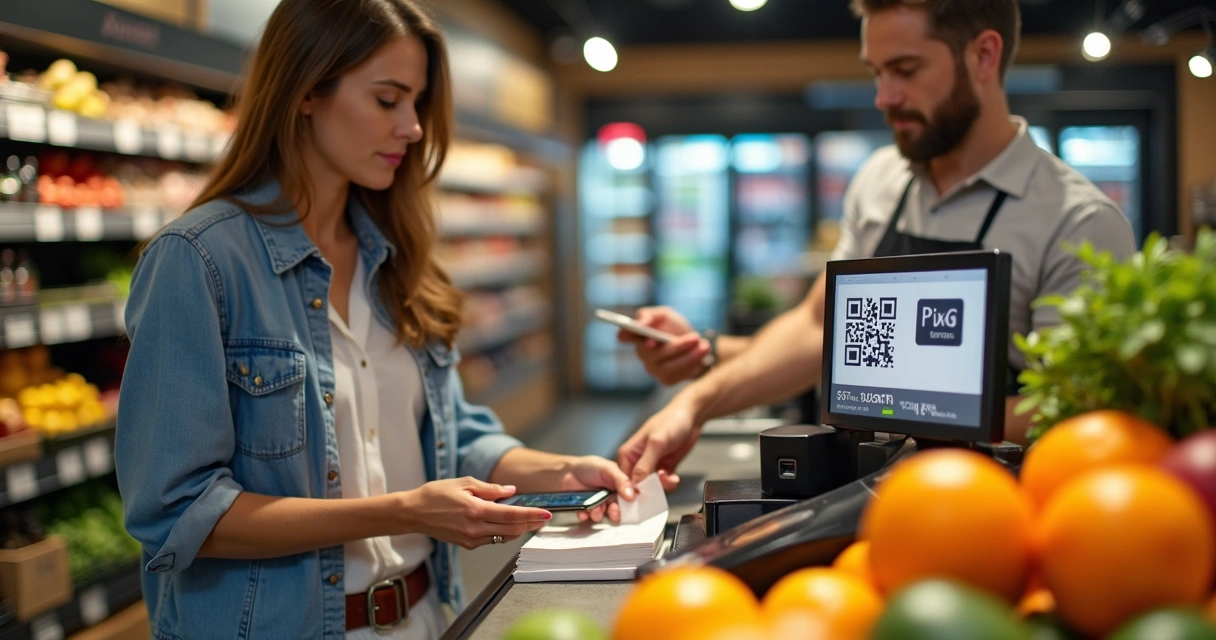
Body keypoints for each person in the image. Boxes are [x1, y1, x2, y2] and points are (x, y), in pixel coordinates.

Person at [114, 2, 656, 638]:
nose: (414, 129)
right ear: (308, 90)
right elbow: (179, 514)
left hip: (423, 618)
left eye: (418, 104)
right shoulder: (198, 262)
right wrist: (402, 512)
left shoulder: (398, 260)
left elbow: (455, 435)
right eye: (388, 100)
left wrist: (560, 472)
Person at [617, 0, 1137, 481]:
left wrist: (891, 399)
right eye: (877, 72)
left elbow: (1072, 408)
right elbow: (817, 328)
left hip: (991, 512)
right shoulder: (881, 180)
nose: (884, 97)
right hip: (862, 489)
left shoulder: (1079, 222)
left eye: (906, 70)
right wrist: (693, 402)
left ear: (983, 55)